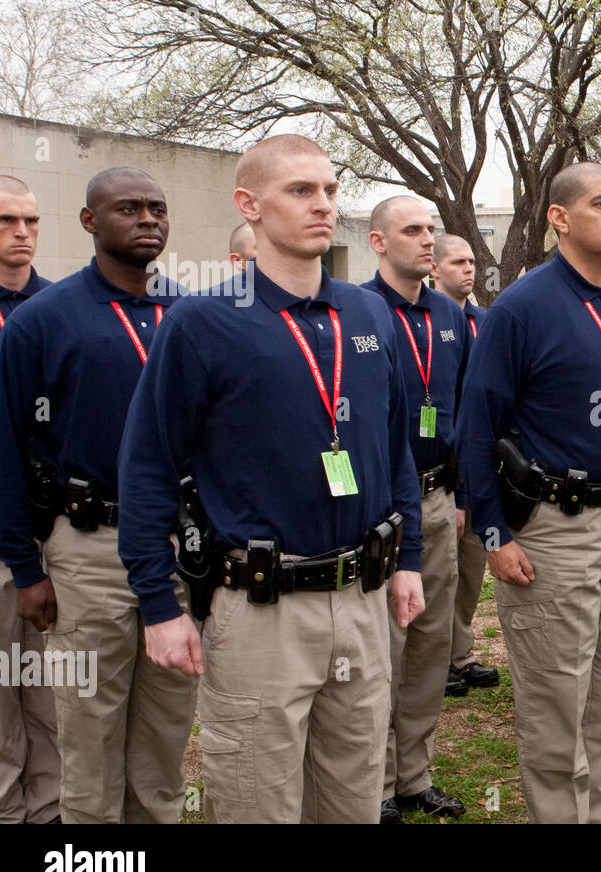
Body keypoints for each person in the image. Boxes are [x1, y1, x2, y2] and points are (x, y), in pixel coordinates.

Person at [117, 135, 426, 823]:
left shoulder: (367, 312)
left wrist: (408, 559)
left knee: (351, 799)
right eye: (300, 191)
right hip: (261, 609)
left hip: (363, 595)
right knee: (257, 801)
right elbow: (147, 467)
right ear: (248, 206)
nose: (322, 205)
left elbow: (394, 444)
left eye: (329, 190)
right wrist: (158, 605)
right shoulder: (201, 324)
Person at [455, 162, 601, 824]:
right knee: (555, 699)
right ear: (559, 219)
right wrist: (493, 533)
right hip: (556, 530)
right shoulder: (521, 307)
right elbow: (476, 426)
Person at [0, 167, 196, 823]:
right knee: (88, 734)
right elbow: (4, 447)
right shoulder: (42, 321)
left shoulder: (192, 316)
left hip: (175, 549)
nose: (147, 219)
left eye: (157, 208)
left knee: (166, 731)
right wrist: (26, 568)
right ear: (89, 222)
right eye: (128, 208)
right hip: (89, 552)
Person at [362, 196, 471, 824]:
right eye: (412, 230)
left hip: (436, 498)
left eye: (431, 229)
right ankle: (372, 784)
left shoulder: (448, 315)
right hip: (379, 508)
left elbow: (462, 408)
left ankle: (414, 775)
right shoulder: (357, 312)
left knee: (431, 641)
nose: (427, 240)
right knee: (384, 649)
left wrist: (461, 495)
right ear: (378, 242)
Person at [0, 174, 57, 825]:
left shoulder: (56, 308)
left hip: (50, 532)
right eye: (7, 220)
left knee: (51, 689)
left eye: (31, 221)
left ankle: (52, 813)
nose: (22, 233)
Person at [431, 233, 500, 690]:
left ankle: (460, 653)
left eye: (473, 261)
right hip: (440, 473)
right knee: (441, 574)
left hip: (480, 471)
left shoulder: (484, 321)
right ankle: (437, 662)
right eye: (457, 262)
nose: (469, 269)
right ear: (435, 268)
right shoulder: (428, 321)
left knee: (471, 569)